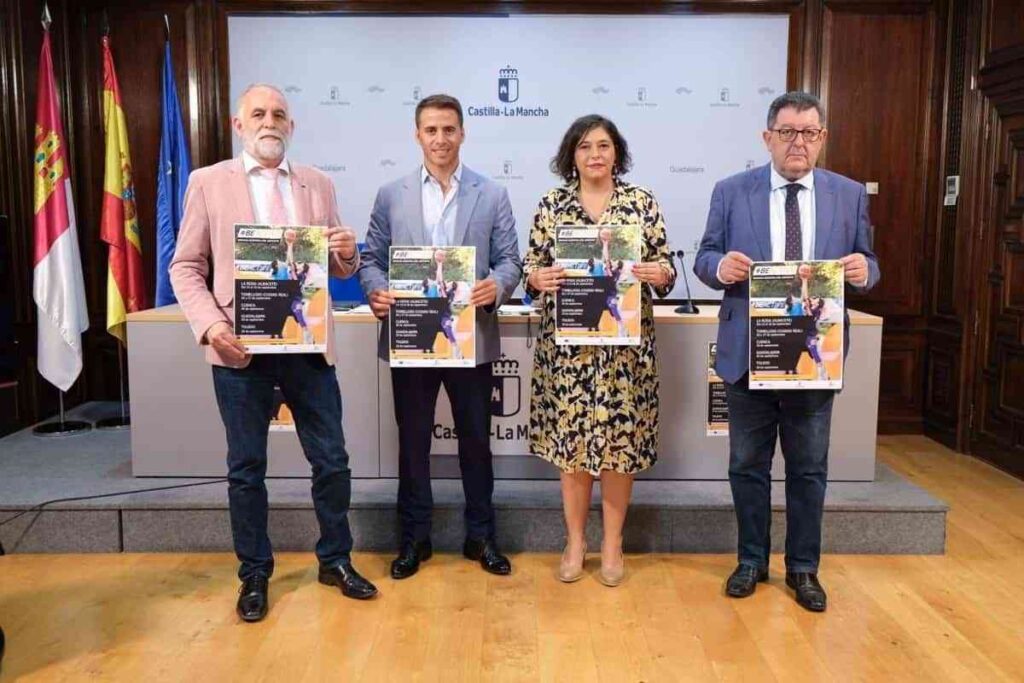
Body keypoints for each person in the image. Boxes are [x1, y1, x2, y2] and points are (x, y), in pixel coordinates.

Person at [170, 83, 378, 622]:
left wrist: (347, 253)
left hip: (307, 346)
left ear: (291, 126)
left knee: (332, 460)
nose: (270, 121)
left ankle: (335, 560)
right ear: (239, 125)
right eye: (259, 113)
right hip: (240, 351)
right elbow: (185, 266)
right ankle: (254, 572)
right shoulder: (207, 182)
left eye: (279, 114)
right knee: (246, 468)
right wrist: (212, 326)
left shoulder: (318, 183)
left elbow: (339, 267)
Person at [694, 91, 880, 612]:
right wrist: (719, 268)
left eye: (809, 132)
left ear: (822, 138)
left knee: (808, 469)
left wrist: (864, 271)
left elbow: (869, 262)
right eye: (787, 131)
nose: (798, 142)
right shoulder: (731, 191)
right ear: (767, 137)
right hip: (749, 355)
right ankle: (751, 560)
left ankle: (803, 568)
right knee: (746, 466)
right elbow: (705, 257)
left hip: (814, 357)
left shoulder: (848, 194)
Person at [359, 94, 522, 579]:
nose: (440, 139)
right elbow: (371, 261)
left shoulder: (492, 194)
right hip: (411, 335)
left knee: (476, 442)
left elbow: (510, 260)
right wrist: (376, 291)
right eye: (431, 130)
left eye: (449, 129)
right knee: (413, 444)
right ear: (418, 135)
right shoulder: (391, 194)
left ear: (462, 133)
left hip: (471, 336)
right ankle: (414, 540)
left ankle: (481, 537)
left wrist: (498, 286)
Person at [523, 114, 675, 586]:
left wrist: (659, 273)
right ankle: (575, 541)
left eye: (604, 145)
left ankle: (612, 543)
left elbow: (666, 268)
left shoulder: (641, 203)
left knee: (618, 448)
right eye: (585, 146)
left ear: (617, 153)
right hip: (568, 354)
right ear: (572, 154)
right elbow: (530, 267)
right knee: (572, 448)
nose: (595, 154)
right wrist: (537, 278)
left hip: (624, 354)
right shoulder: (552, 205)